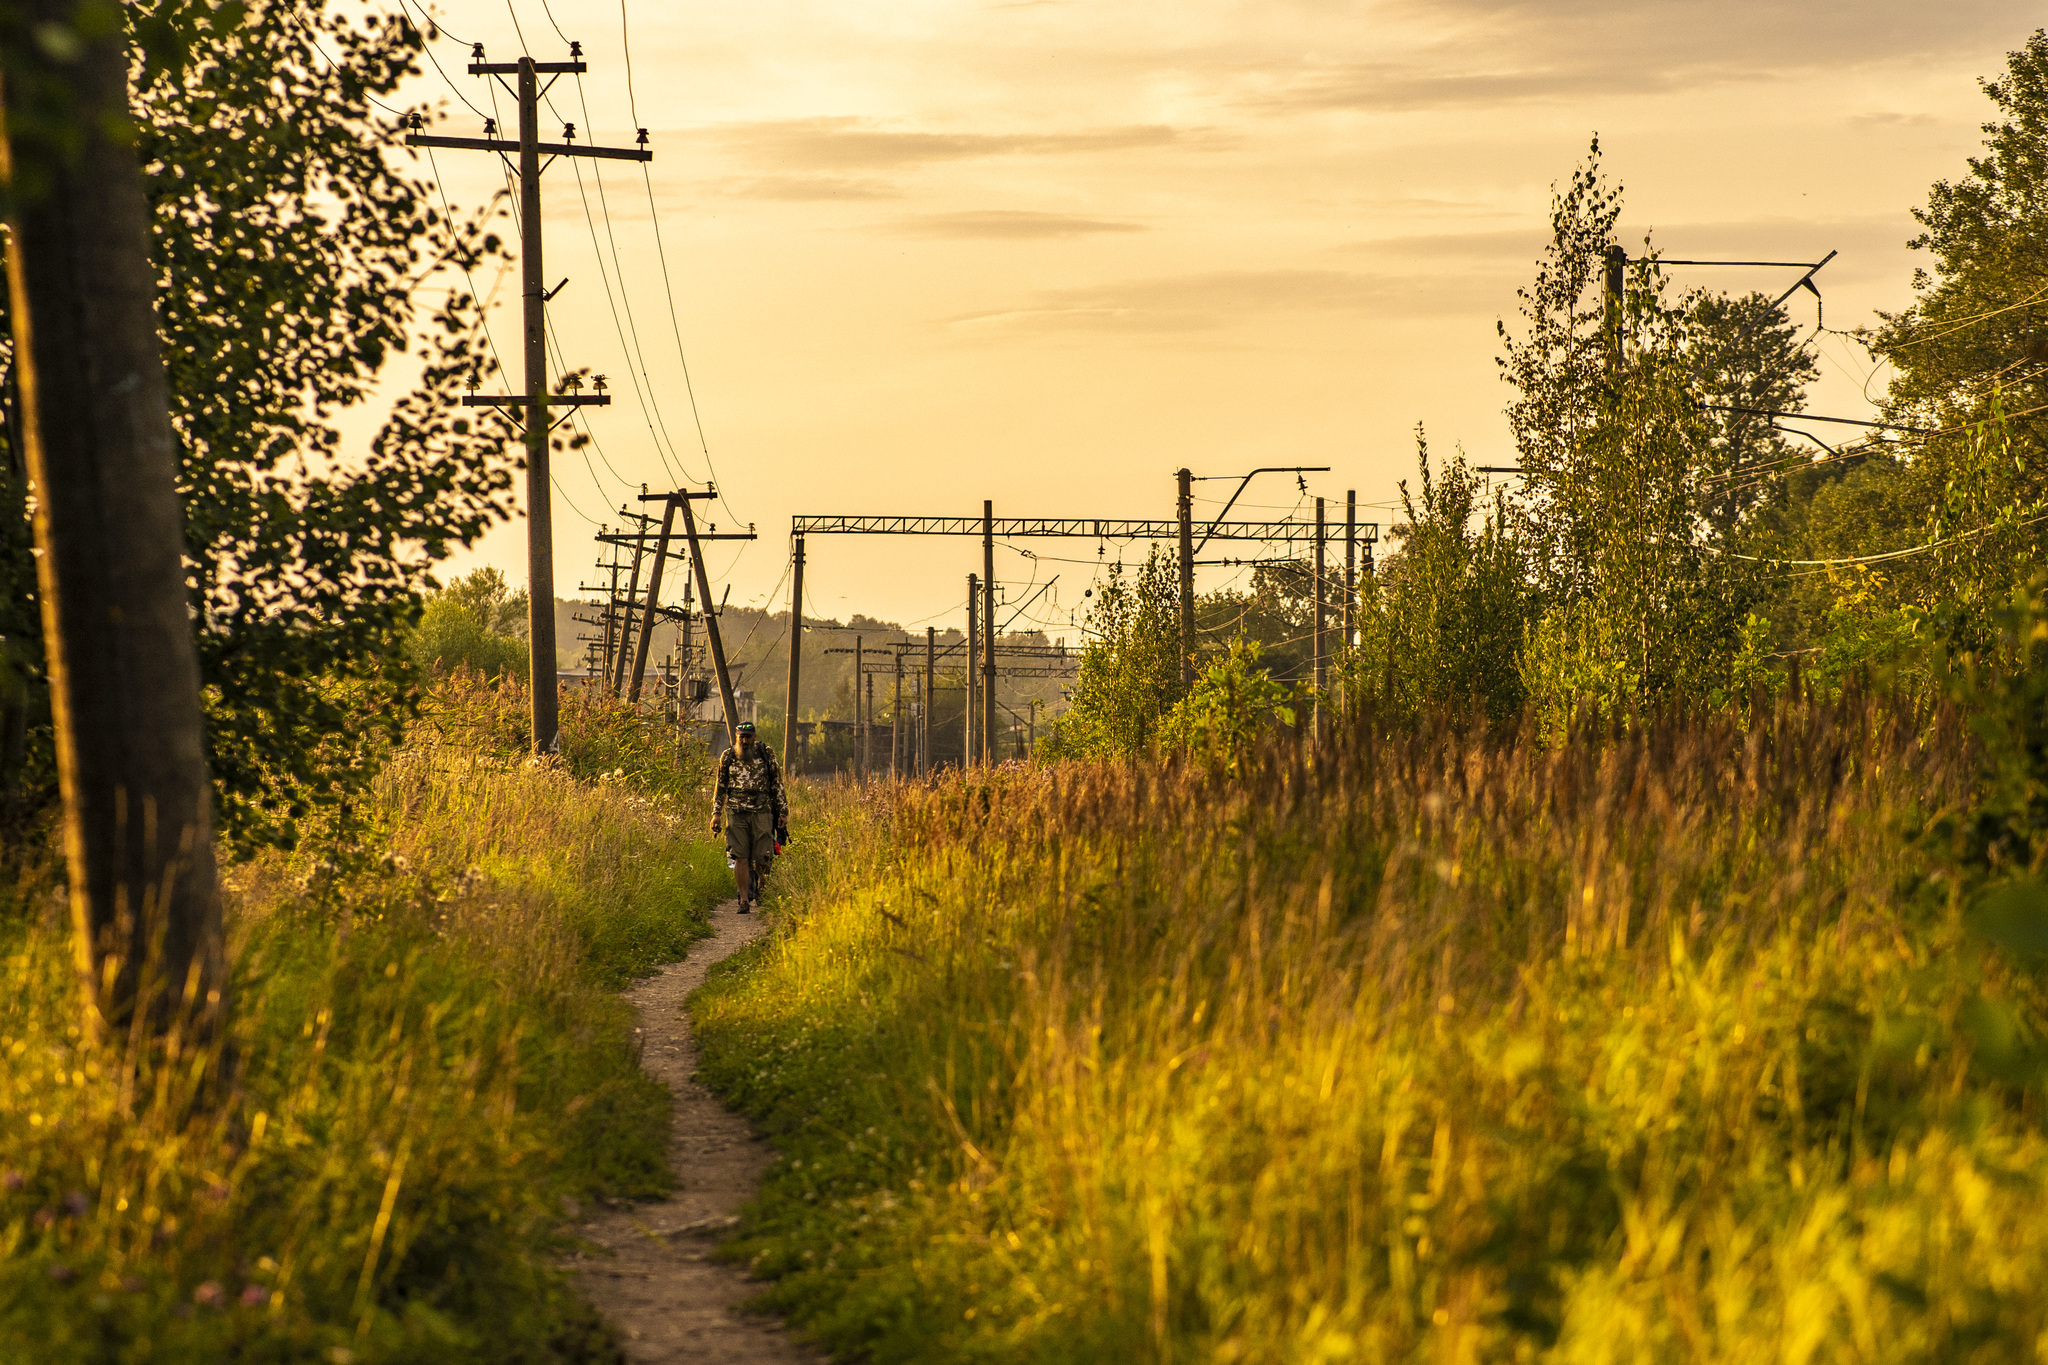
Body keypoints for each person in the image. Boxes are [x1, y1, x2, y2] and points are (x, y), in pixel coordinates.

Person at [710, 720, 787, 914]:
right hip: (736, 812)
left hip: (762, 812)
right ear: (736, 738)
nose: (744, 741)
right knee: (740, 856)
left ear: (754, 737)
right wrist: (716, 814)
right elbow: (720, 787)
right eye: (741, 737)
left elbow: (776, 782)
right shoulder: (728, 756)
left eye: (748, 737)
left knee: (763, 856)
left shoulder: (765, 753)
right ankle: (744, 900)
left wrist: (782, 810)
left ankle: (761, 885)